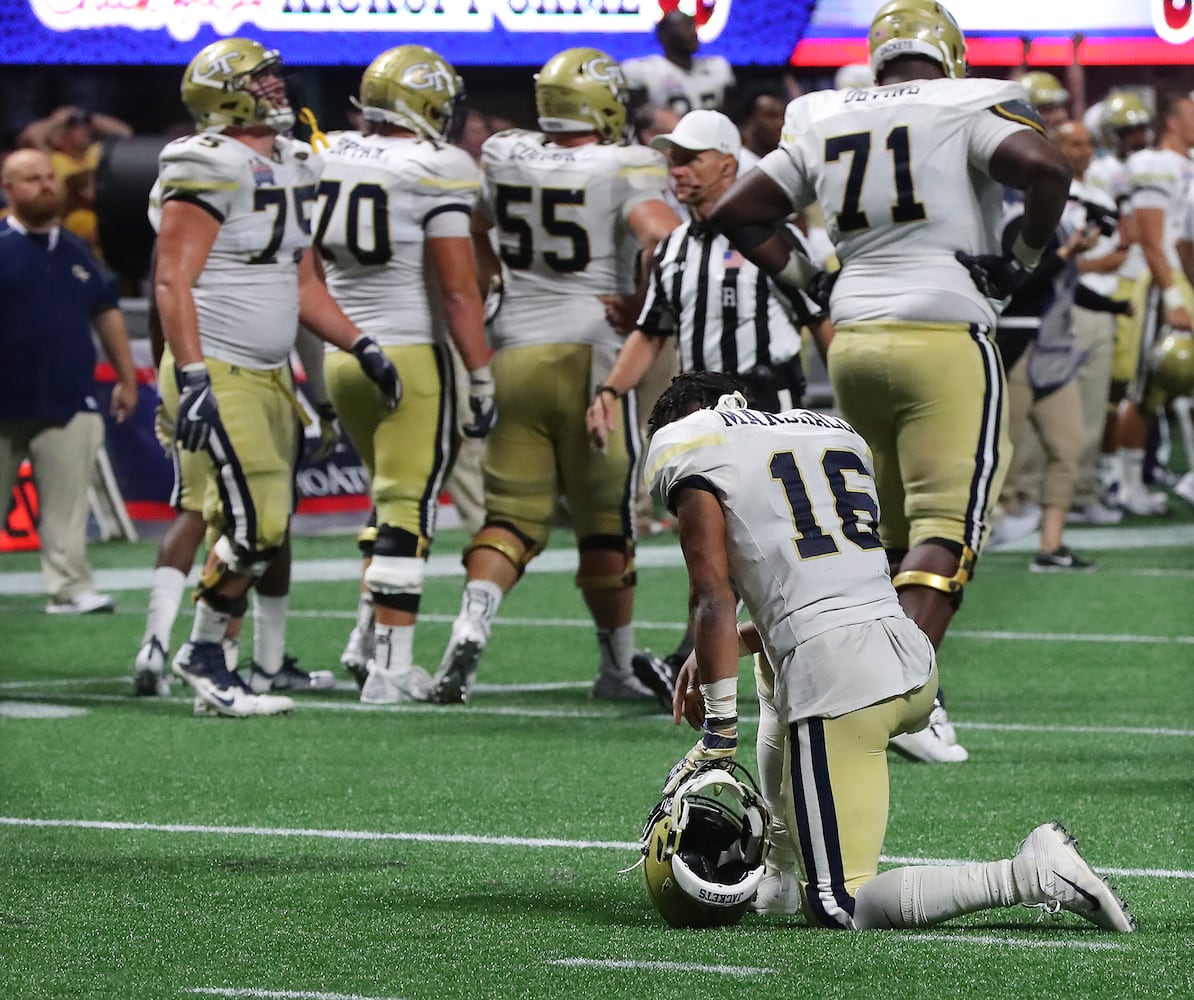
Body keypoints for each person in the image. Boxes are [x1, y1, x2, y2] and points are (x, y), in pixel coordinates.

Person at [706, 0, 1073, 763]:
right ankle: (903, 693)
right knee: (948, 524)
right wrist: (1024, 258)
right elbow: (1046, 168)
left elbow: (738, 210)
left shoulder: (819, 110)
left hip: (854, 338)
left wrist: (810, 277)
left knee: (885, 532)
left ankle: (898, 688)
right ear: (951, 54)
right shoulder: (966, 99)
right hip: (942, 328)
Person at [642, 369, 1135, 934]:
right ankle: (778, 874)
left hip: (842, 685)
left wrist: (718, 735)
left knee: (840, 904)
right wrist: (722, 652)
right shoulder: (827, 430)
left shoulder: (694, 444)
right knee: (769, 659)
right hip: (905, 655)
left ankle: (1027, 874)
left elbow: (712, 596)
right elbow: (816, 590)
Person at [152, 38, 400, 717]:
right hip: (219, 368)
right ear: (224, 92)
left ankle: (210, 658)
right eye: (259, 78)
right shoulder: (204, 160)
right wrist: (195, 376)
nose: (275, 85)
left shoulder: (291, 160)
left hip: (268, 372)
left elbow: (300, 281)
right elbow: (172, 279)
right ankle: (201, 653)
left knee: (264, 525)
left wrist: (361, 344)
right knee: (258, 523)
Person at [427, 47, 681, 705]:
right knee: (605, 522)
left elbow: (473, 226)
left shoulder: (507, 153)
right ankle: (616, 667)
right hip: (592, 352)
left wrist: (494, 280)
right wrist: (644, 304)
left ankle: (472, 619)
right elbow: (664, 240)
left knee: (510, 517)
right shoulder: (626, 163)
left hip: (513, 347)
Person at [585, 108, 826, 704]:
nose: (677, 170)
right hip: (701, 413)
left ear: (728, 163)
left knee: (785, 540)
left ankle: (826, 649)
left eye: (690, 158)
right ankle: (697, 656)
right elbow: (650, 329)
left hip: (771, 402)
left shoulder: (773, 237)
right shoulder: (673, 249)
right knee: (708, 542)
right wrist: (612, 391)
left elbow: (821, 318)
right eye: (673, 158)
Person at [315, 45, 496, 704]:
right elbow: (458, 291)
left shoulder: (329, 149)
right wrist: (479, 374)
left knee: (384, 500)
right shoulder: (437, 165)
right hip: (409, 353)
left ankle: (365, 641)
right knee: (407, 507)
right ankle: (391, 669)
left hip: (342, 351)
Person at [0, 148, 137, 614]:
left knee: (68, 507)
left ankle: (70, 586)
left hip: (68, 397)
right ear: (8, 189)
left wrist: (126, 378)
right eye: (31, 178)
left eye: (48, 177)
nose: (45, 185)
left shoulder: (79, 251)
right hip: (3, 402)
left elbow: (107, 312)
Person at [1112, 90, 1194, 515]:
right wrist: (1175, 296)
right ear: (1175, 119)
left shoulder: (1183, 166)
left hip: (1180, 282)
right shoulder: (1154, 164)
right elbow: (1151, 237)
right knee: (1145, 390)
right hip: (1163, 285)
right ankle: (1127, 485)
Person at [621, 8, 735, 117]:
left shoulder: (717, 67)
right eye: (685, 27)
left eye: (693, 26)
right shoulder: (645, 71)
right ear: (664, 35)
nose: (693, 32)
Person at [729, 83, 787, 171]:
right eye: (771, 116)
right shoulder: (736, 165)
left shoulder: (786, 165)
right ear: (749, 121)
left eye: (783, 116)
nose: (780, 123)